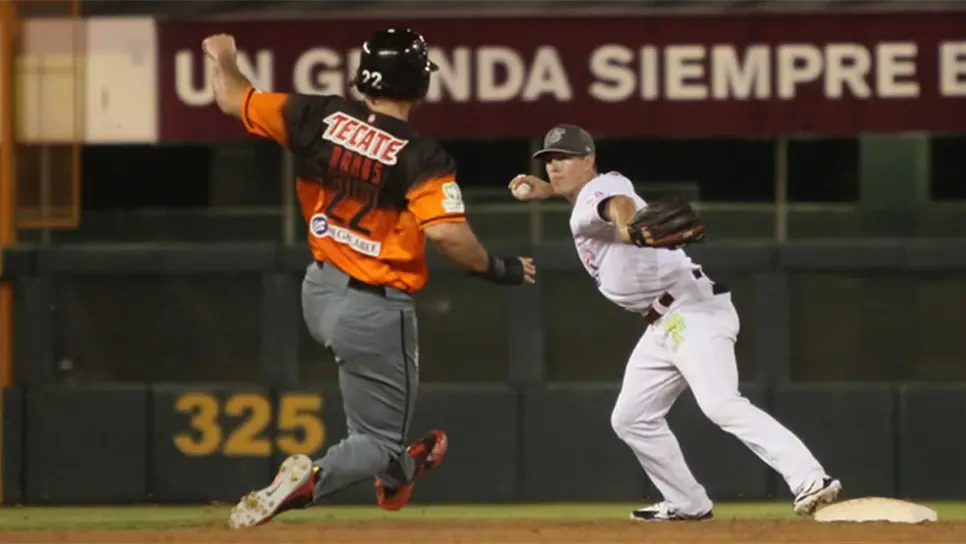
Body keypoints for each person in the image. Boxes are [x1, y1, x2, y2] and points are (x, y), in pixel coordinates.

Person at [201, 27, 536, 529]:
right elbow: (449, 236)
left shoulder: (316, 116)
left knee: (384, 444)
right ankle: (310, 478)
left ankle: (403, 474)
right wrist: (498, 269)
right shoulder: (421, 154)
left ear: (363, 78)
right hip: (374, 306)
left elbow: (232, 97)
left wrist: (223, 56)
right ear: (420, 85)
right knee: (375, 443)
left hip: (318, 290)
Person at [508, 124, 840, 521]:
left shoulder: (601, 192)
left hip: (691, 311)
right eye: (548, 160)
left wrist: (627, 226)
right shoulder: (584, 196)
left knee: (720, 403)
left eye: (563, 158)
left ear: (589, 160)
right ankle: (687, 503)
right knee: (631, 419)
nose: (553, 166)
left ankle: (810, 478)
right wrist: (546, 190)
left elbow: (614, 204)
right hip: (665, 322)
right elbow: (594, 202)